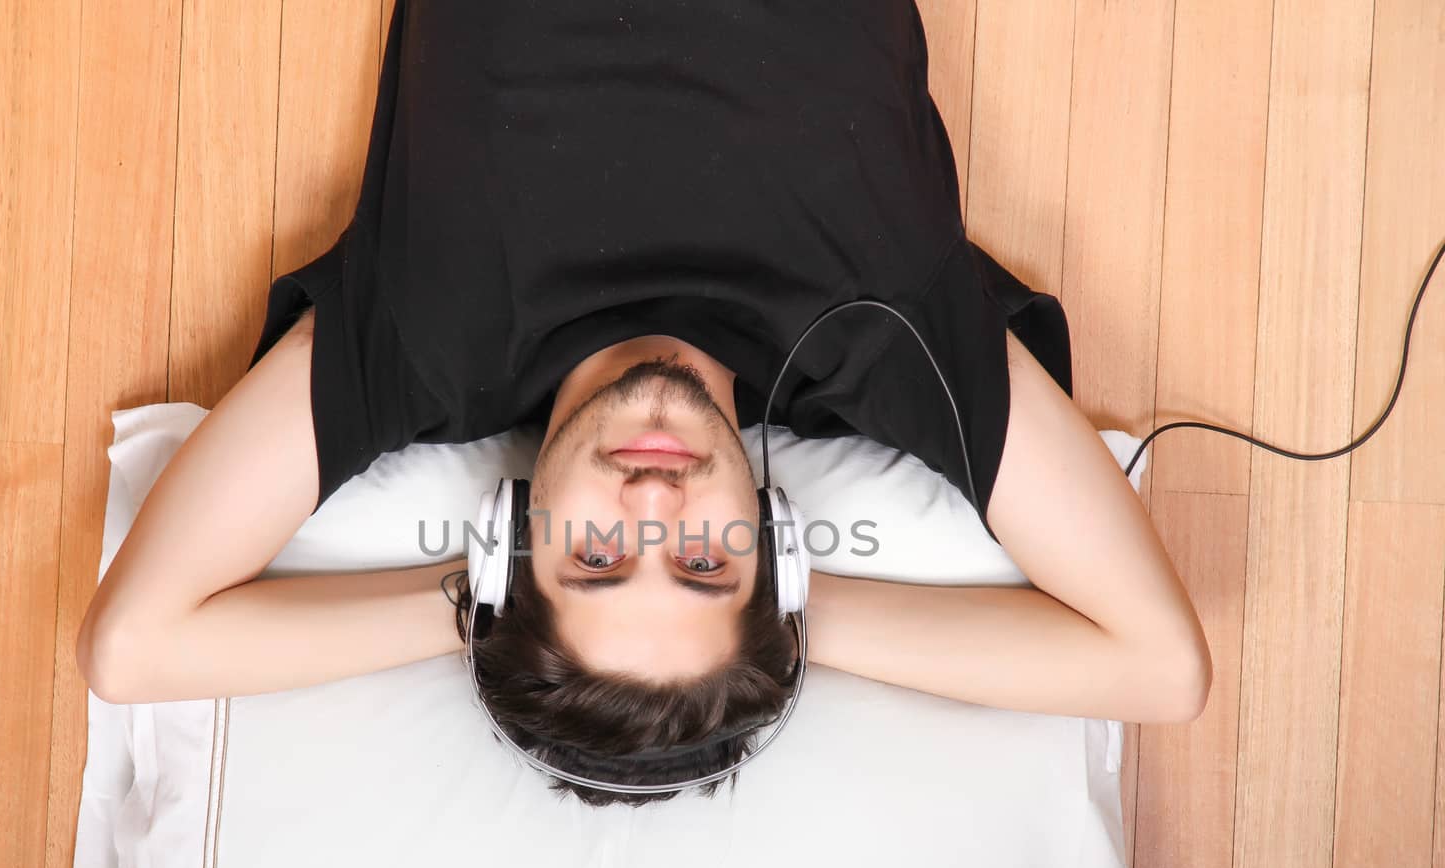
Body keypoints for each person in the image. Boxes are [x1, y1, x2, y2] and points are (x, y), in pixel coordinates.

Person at [77, 0, 1213, 805]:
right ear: (775, 557)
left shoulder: (423, 342)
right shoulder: (886, 346)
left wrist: (479, 611)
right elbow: (1160, 668)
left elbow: (132, 648)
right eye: (708, 564)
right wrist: (782, 628)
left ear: (518, 549)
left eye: (598, 560)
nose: (656, 504)